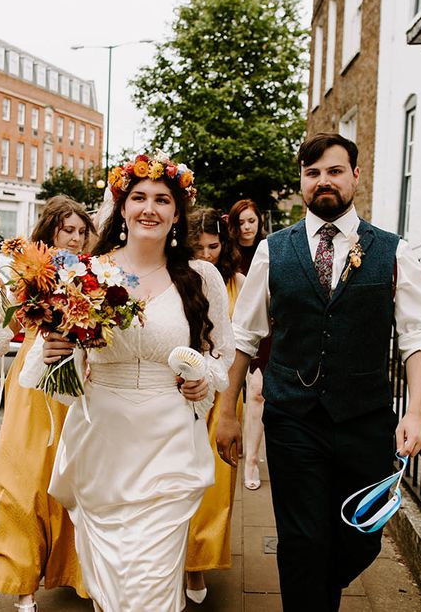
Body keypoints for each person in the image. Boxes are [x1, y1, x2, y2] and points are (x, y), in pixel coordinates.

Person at [216, 132, 421, 611]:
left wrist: (416, 413)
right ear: (301, 181)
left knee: (361, 537)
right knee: (301, 543)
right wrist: (227, 411)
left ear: (355, 177)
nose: (324, 182)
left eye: (334, 171)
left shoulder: (393, 251)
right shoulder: (274, 251)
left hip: (364, 419)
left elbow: (419, 339)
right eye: (313, 173)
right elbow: (243, 337)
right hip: (293, 418)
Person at [21, 154, 235, 611]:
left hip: (170, 447)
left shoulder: (201, 278)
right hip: (102, 446)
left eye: (162, 199)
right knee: (111, 585)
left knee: (152, 583)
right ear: (122, 207)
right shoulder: (86, 273)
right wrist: (56, 352)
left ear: (178, 213)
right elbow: (48, 368)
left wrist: (202, 381)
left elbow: (222, 360)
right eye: (138, 197)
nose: (149, 208)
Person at [0, 195, 95, 611]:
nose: (77, 239)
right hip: (31, 384)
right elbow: (7, 324)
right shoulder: (29, 272)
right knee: (21, 479)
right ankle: (22, 580)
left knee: (73, 482)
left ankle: (75, 572)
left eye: (83, 232)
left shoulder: (92, 275)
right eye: (69, 231)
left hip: (76, 385)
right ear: (50, 231)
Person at [184, 207, 245, 604]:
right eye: (198, 246)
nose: (206, 254)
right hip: (183, 391)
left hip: (223, 393)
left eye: (214, 245)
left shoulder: (238, 282)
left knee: (215, 486)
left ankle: (198, 563)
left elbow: (244, 344)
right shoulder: (177, 280)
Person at [227, 199, 268, 490]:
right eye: (241, 222)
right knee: (229, 390)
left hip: (263, 330)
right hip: (229, 327)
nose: (246, 227)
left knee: (256, 394)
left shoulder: (269, 251)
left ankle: (252, 459)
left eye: (251, 221)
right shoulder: (227, 252)